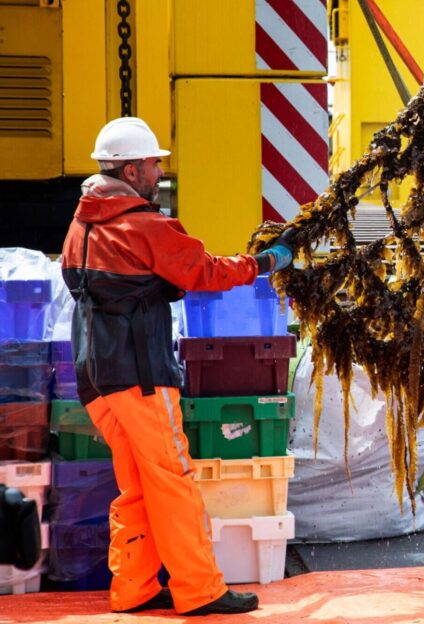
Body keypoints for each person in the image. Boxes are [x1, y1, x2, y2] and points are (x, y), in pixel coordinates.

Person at [59, 117, 294, 615]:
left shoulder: (81, 226)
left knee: (138, 484)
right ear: (130, 167)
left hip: (95, 377)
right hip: (140, 375)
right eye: (152, 164)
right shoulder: (143, 224)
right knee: (172, 478)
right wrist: (264, 264)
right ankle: (200, 590)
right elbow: (202, 271)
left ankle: (135, 587)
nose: (158, 173)